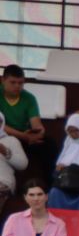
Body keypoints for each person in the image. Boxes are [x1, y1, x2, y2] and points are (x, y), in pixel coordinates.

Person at [0, 64, 46, 199]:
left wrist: (39, 132)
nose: (17, 86)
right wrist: (23, 136)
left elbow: (36, 123)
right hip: (5, 135)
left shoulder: (29, 98)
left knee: (47, 146)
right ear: (3, 80)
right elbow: (1, 126)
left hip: (24, 136)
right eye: (12, 82)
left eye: (20, 83)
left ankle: (44, 187)